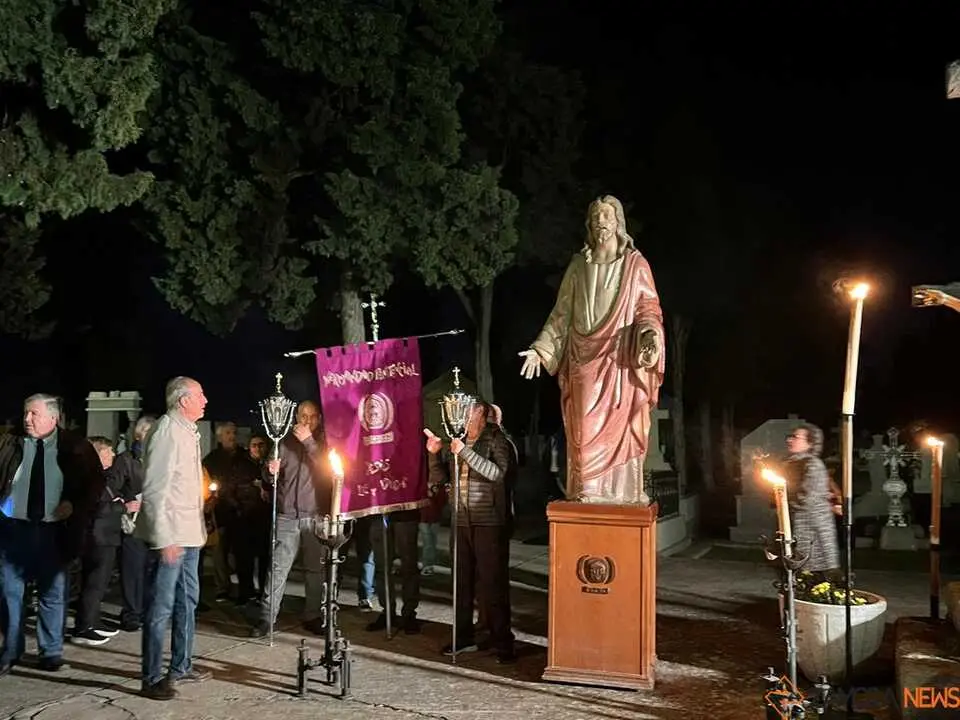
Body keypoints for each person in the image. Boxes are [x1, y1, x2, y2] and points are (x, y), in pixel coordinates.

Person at [519, 195, 665, 504]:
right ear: (590, 224)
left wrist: (650, 335)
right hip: (584, 358)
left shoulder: (635, 264)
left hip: (620, 358)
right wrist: (541, 349)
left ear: (618, 222)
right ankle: (588, 489)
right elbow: (562, 314)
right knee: (584, 426)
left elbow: (648, 307)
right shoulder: (577, 266)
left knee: (624, 425)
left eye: (607, 216)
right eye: (596, 216)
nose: (601, 221)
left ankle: (622, 490)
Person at [0, 394, 103, 677]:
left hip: (53, 531)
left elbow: (95, 485)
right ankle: (10, 649)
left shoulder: (76, 448)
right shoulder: (10, 443)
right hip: (13, 529)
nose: (27, 419)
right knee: (10, 593)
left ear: (53, 418)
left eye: (33, 414)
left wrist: (74, 504)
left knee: (52, 593)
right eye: (25, 413)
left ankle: (51, 652)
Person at [424, 400, 516, 663]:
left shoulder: (496, 439)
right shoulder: (459, 440)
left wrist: (465, 452)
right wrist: (434, 454)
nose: (463, 416)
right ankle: (463, 638)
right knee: (460, 583)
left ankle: (503, 643)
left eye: (467, 411)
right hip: (460, 521)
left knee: (492, 584)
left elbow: (498, 474)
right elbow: (442, 480)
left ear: (481, 415)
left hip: (488, 521)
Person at [137, 377, 212, 700]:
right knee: (160, 608)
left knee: (187, 601)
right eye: (200, 395)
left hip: (189, 535)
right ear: (183, 401)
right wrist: (165, 538)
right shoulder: (167, 432)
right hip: (171, 538)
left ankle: (181, 665)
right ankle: (152, 676)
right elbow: (155, 489)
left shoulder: (186, 431)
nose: (205, 400)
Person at [251, 401, 328, 637]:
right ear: (295, 416)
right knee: (277, 569)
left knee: (315, 570)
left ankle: (313, 615)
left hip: (314, 515)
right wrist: (269, 470)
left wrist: (308, 441)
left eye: (312, 416)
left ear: (319, 419)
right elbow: (268, 476)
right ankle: (267, 617)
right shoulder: (283, 442)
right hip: (286, 516)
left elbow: (327, 470)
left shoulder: (324, 443)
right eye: (303, 416)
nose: (307, 421)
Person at [71, 437, 124, 646]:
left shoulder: (101, 476)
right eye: (108, 451)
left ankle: (93, 620)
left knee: (98, 583)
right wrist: (124, 507)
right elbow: (99, 508)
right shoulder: (92, 478)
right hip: (98, 537)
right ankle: (84, 627)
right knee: (95, 582)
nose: (112, 455)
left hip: (103, 535)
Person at [112, 415, 155, 631]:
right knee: (132, 570)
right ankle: (131, 612)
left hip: (156, 523)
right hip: (134, 523)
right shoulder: (126, 460)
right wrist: (126, 503)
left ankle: (148, 611)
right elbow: (112, 488)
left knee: (152, 570)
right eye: (150, 431)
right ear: (139, 434)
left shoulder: (161, 458)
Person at [785, 424, 840, 577]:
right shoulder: (792, 463)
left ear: (810, 443)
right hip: (795, 526)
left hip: (812, 530)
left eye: (795, 437)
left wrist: (786, 501)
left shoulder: (813, 464)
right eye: (790, 436)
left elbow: (809, 498)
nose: (790, 440)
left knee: (812, 573)